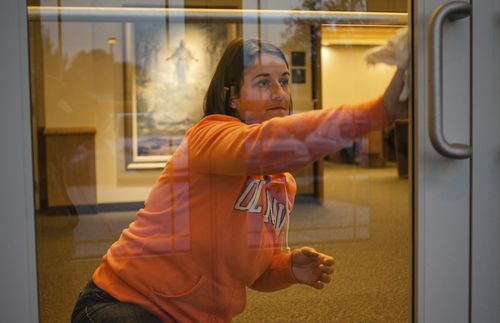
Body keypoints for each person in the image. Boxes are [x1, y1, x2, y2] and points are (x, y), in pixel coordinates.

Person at [71, 38, 407, 323]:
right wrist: (379, 111)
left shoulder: (281, 184)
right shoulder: (208, 136)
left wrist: (289, 267)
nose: (279, 93)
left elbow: (255, 271)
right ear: (232, 97)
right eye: (263, 82)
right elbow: (268, 145)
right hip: (120, 304)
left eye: (285, 81)